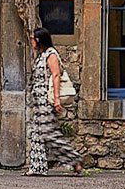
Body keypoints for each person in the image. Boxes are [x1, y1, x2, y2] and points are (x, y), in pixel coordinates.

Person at [26, 26, 84, 176]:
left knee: (48, 134)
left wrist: (57, 99)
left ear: (39, 40)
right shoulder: (41, 55)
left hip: (47, 101)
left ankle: (75, 159)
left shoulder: (51, 54)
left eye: (33, 39)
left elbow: (56, 75)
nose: (31, 41)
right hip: (39, 101)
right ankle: (37, 167)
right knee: (37, 133)